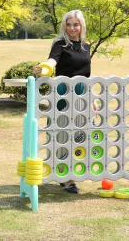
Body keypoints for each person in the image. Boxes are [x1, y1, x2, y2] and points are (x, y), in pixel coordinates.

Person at [34, 10, 91, 194]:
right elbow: (53, 60)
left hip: (82, 94)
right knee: (63, 135)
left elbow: (87, 75)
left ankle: (72, 170)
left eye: (75, 24)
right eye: (68, 24)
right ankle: (65, 177)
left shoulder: (86, 46)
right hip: (63, 94)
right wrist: (45, 68)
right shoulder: (59, 44)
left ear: (81, 26)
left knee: (79, 136)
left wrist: (92, 99)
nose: (72, 28)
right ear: (64, 26)